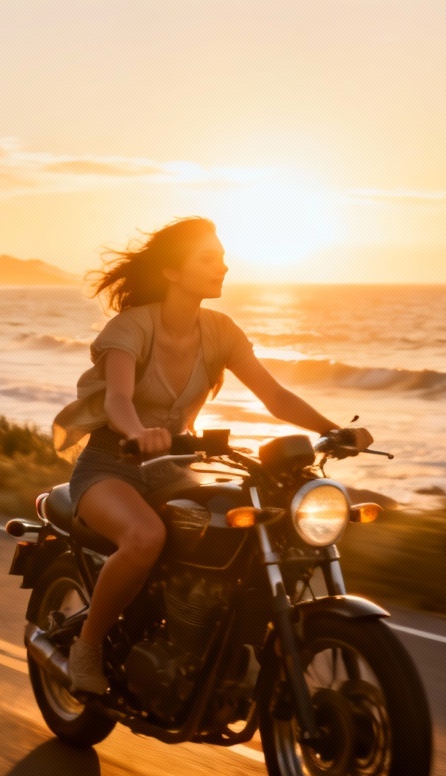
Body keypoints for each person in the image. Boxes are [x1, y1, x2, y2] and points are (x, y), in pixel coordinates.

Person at [52, 217, 373, 695]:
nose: (222, 266)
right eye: (208, 258)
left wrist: (332, 430)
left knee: (230, 531)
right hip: (110, 466)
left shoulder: (220, 330)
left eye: (222, 257)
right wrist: (140, 432)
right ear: (171, 272)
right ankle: (88, 647)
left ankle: (203, 643)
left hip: (171, 470)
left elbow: (275, 397)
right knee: (144, 537)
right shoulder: (131, 327)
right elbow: (118, 399)